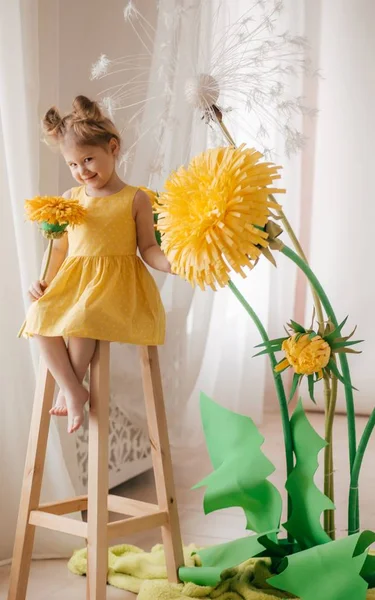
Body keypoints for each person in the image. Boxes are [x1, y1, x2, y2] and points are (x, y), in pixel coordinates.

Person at [23, 95, 170, 434]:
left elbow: (147, 247)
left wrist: (168, 263)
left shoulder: (135, 198)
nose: (82, 171)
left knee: (84, 317)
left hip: (114, 285)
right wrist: (43, 281)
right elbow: (59, 250)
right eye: (73, 165)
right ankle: (74, 388)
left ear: (113, 148)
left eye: (88, 159)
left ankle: (71, 391)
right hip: (75, 282)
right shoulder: (71, 200)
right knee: (39, 315)